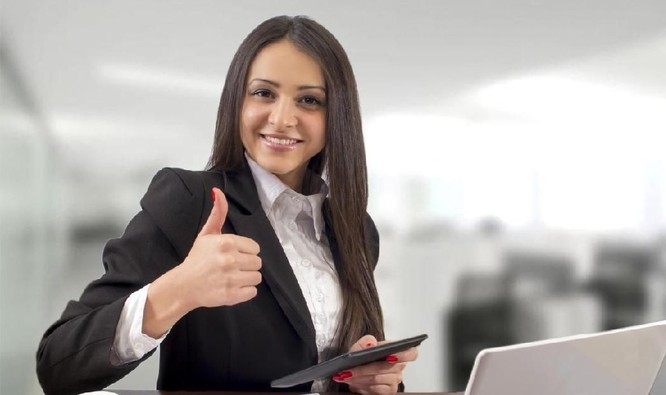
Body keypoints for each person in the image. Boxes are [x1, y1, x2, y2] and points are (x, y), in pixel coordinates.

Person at [35, 14, 419, 395]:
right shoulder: (191, 201)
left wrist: (371, 381)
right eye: (264, 93)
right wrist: (178, 290)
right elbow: (59, 363)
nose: (283, 118)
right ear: (237, 101)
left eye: (309, 100)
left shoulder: (355, 230)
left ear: (337, 116)